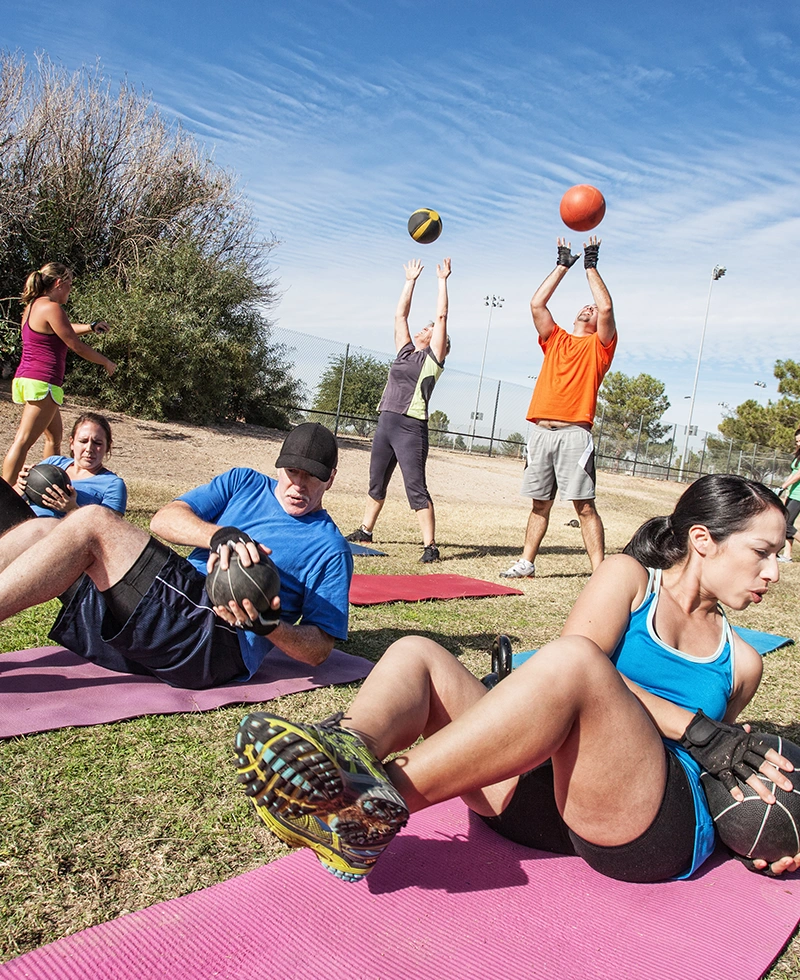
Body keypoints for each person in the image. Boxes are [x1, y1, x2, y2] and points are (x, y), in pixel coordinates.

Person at [234, 474, 800, 886]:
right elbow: (582, 673)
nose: (773, 572)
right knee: (417, 652)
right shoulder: (628, 579)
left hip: (643, 825)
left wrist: (764, 827)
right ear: (704, 540)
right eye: (763, 551)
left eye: (779, 556)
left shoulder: (743, 660)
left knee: (574, 663)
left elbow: (713, 770)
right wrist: (703, 730)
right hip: (537, 801)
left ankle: (357, 813)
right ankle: (346, 750)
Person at [0, 423, 352, 690]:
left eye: (312, 477)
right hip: (179, 601)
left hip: (215, 641)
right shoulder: (243, 482)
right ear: (279, 467)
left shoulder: (330, 548)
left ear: (331, 479)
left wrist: (269, 627)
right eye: (292, 472)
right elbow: (163, 518)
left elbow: (320, 647)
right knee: (42, 530)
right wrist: (220, 534)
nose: (298, 486)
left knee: (91, 521)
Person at [500, 237, 616, 579]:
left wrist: (590, 265)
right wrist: (562, 265)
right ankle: (527, 562)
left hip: (574, 435)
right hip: (541, 432)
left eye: (592, 309)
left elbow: (607, 309)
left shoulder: (600, 346)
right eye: (586, 306)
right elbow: (537, 303)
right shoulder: (556, 339)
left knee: (583, 506)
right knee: (539, 504)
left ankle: (600, 573)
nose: (590, 308)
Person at [345, 258, 451, 564]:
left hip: (410, 427)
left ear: (437, 341)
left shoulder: (432, 360)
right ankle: (366, 531)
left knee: (415, 488)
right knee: (376, 482)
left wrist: (442, 280)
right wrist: (410, 281)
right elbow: (399, 314)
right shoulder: (405, 352)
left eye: (428, 329)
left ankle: (430, 546)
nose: (423, 328)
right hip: (385, 423)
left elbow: (442, 316)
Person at [2, 262, 117, 488]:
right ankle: (4, 494)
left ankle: (47, 486)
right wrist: (105, 361)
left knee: (54, 438)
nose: (70, 290)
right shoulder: (53, 308)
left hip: (31, 378)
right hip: (42, 381)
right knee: (23, 440)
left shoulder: (34, 306)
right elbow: (76, 346)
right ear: (58, 283)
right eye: (69, 285)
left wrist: (90, 326)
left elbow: (63, 327)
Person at [15, 412, 127, 517]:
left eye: (97, 443)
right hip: (25, 527)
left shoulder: (113, 485)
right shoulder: (53, 463)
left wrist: (72, 509)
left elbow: (108, 530)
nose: (89, 449)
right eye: (83, 441)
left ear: (108, 446)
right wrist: (22, 486)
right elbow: (11, 500)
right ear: (72, 443)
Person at [777, 425, 800, 563]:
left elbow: (798, 474)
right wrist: (785, 490)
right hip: (793, 493)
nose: (798, 443)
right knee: (787, 522)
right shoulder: (798, 455)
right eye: (797, 441)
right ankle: (787, 555)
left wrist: (783, 486)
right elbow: (793, 473)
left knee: (786, 524)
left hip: (799, 495)